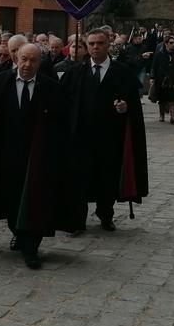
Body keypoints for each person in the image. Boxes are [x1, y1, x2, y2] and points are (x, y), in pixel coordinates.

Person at [0, 44, 82, 268]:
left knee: (36, 200)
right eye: (24, 59)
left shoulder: (51, 88)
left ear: (40, 63)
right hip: (7, 154)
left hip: (38, 155)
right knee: (11, 199)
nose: (27, 65)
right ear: (16, 57)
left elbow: (62, 123)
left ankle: (30, 246)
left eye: (33, 61)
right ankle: (18, 231)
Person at [61, 29, 149, 231]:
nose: (95, 47)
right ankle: (77, 219)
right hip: (81, 137)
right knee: (79, 178)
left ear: (108, 44)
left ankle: (105, 214)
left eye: (99, 43)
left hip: (110, 137)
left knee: (107, 177)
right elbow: (64, 102)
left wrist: (126, 107)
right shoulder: (75, 72)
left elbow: (134, 104)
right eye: (91, 44)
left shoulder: (122, 72)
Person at [149, 35, 174, 124]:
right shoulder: (159, 54)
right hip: (162, 78)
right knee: (162, 98)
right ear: (166, 44)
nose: (173, 44)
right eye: (171, 43)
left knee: (173, 98)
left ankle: (173, 117)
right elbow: (154, 66)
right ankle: (161, 115)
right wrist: (152, 77)